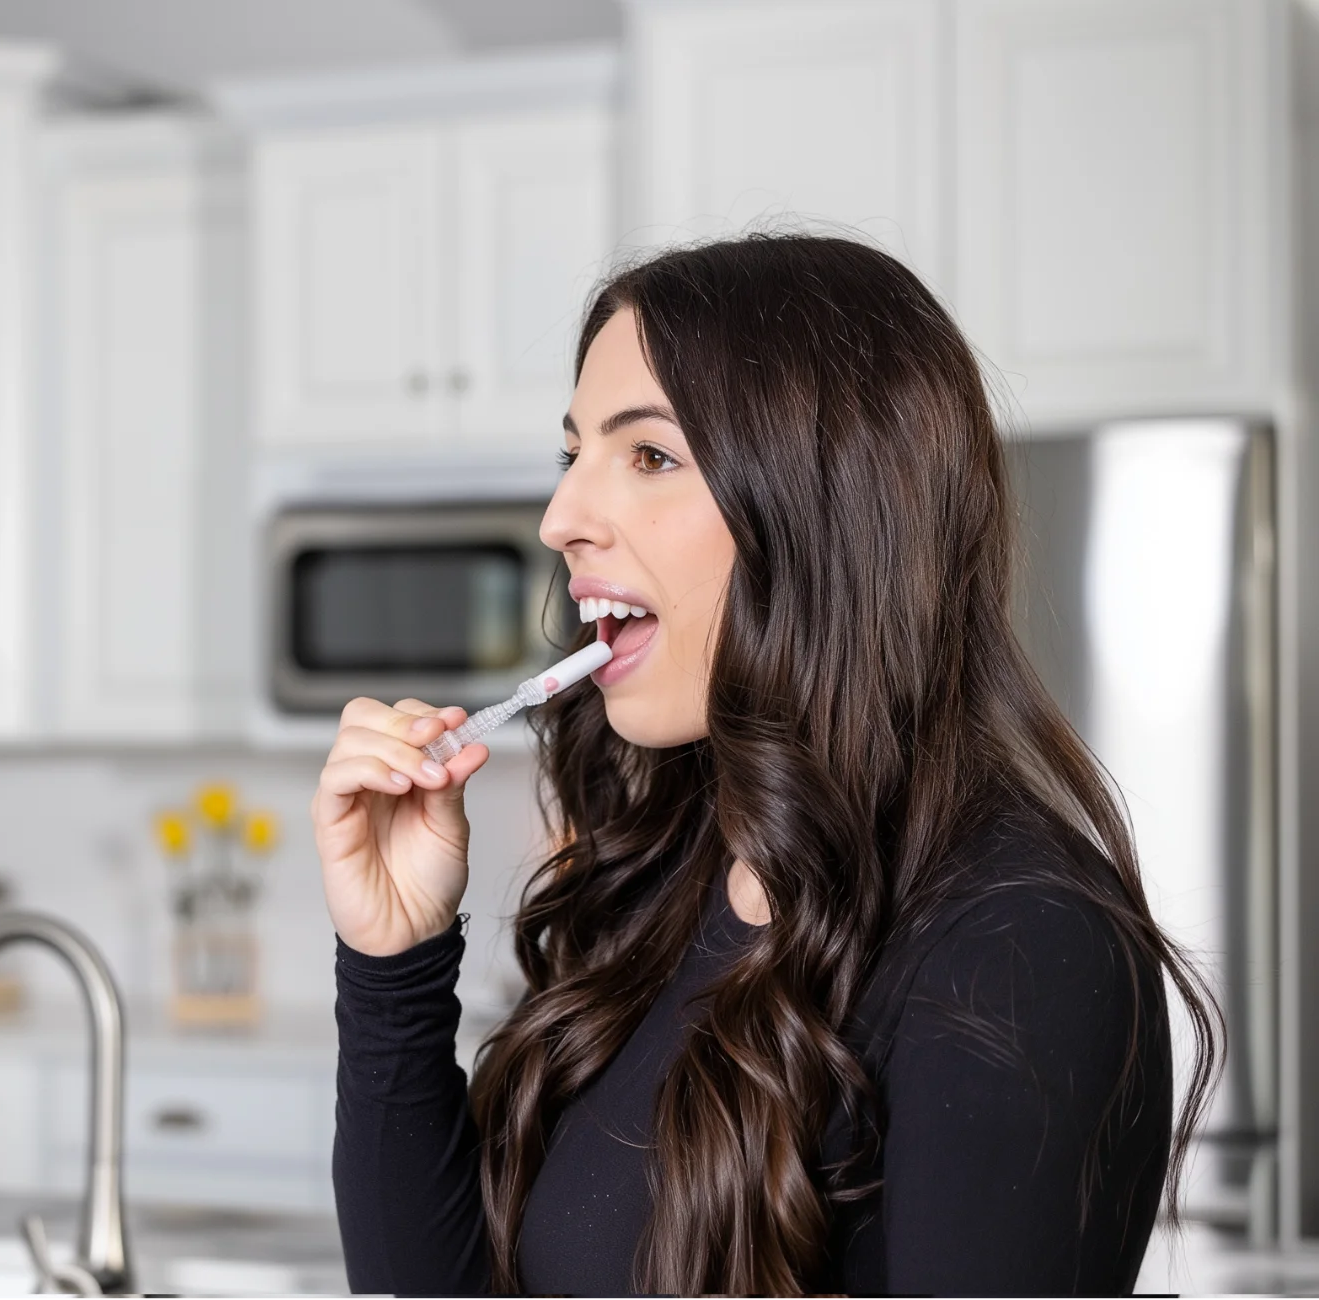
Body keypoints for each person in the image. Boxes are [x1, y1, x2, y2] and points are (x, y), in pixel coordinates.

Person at [312, 233, 1217, 1294]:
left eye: (647, 456)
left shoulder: (1019, 939)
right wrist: (392, 961)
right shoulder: (673, 869)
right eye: (572, 457)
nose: (560, 519)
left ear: (824, 507)